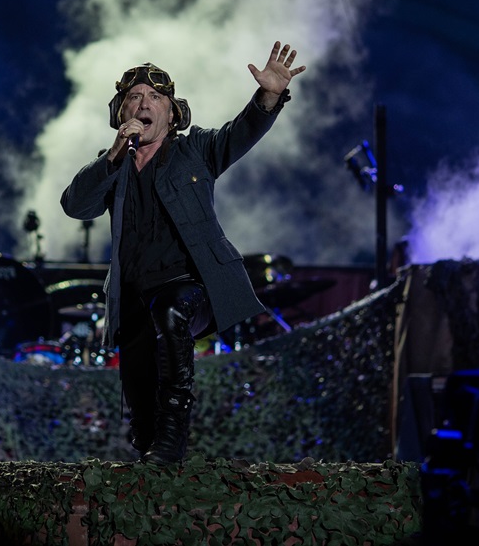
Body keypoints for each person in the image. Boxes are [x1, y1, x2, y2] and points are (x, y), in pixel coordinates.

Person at [60, 41, 306, 464]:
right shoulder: (111, 167)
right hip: (135, 297)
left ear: (172, 114)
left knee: (172, 312)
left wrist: (268, 96)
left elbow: (242, 131)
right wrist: (114, 156)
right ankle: (153, 459)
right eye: (134, 98)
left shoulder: (197, 150)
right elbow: (74, 205)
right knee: (140, 408)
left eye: (155, 97)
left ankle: (174, 440)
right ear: (121, 114)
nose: (144, 103)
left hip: (193, 288)